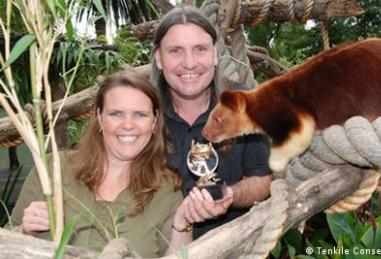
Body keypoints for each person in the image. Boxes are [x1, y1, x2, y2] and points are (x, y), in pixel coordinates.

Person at [10, 71, 208, 257]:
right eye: (116, 114)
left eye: (140, 114)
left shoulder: (165, 188)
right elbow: (9, 243)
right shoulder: (53, 169)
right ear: (99, 118)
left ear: (154, 122)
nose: (128, 124)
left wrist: (183, 221)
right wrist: (25, 230)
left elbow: (178, 256)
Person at [151, 6, 273, 239]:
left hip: (235, 244)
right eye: (175, 50)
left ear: (215, 54)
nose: (189, 63)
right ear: (159, 58)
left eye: (200, 49)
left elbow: (262, 179)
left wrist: (229, 195)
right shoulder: (140, 112)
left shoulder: (243, 104)